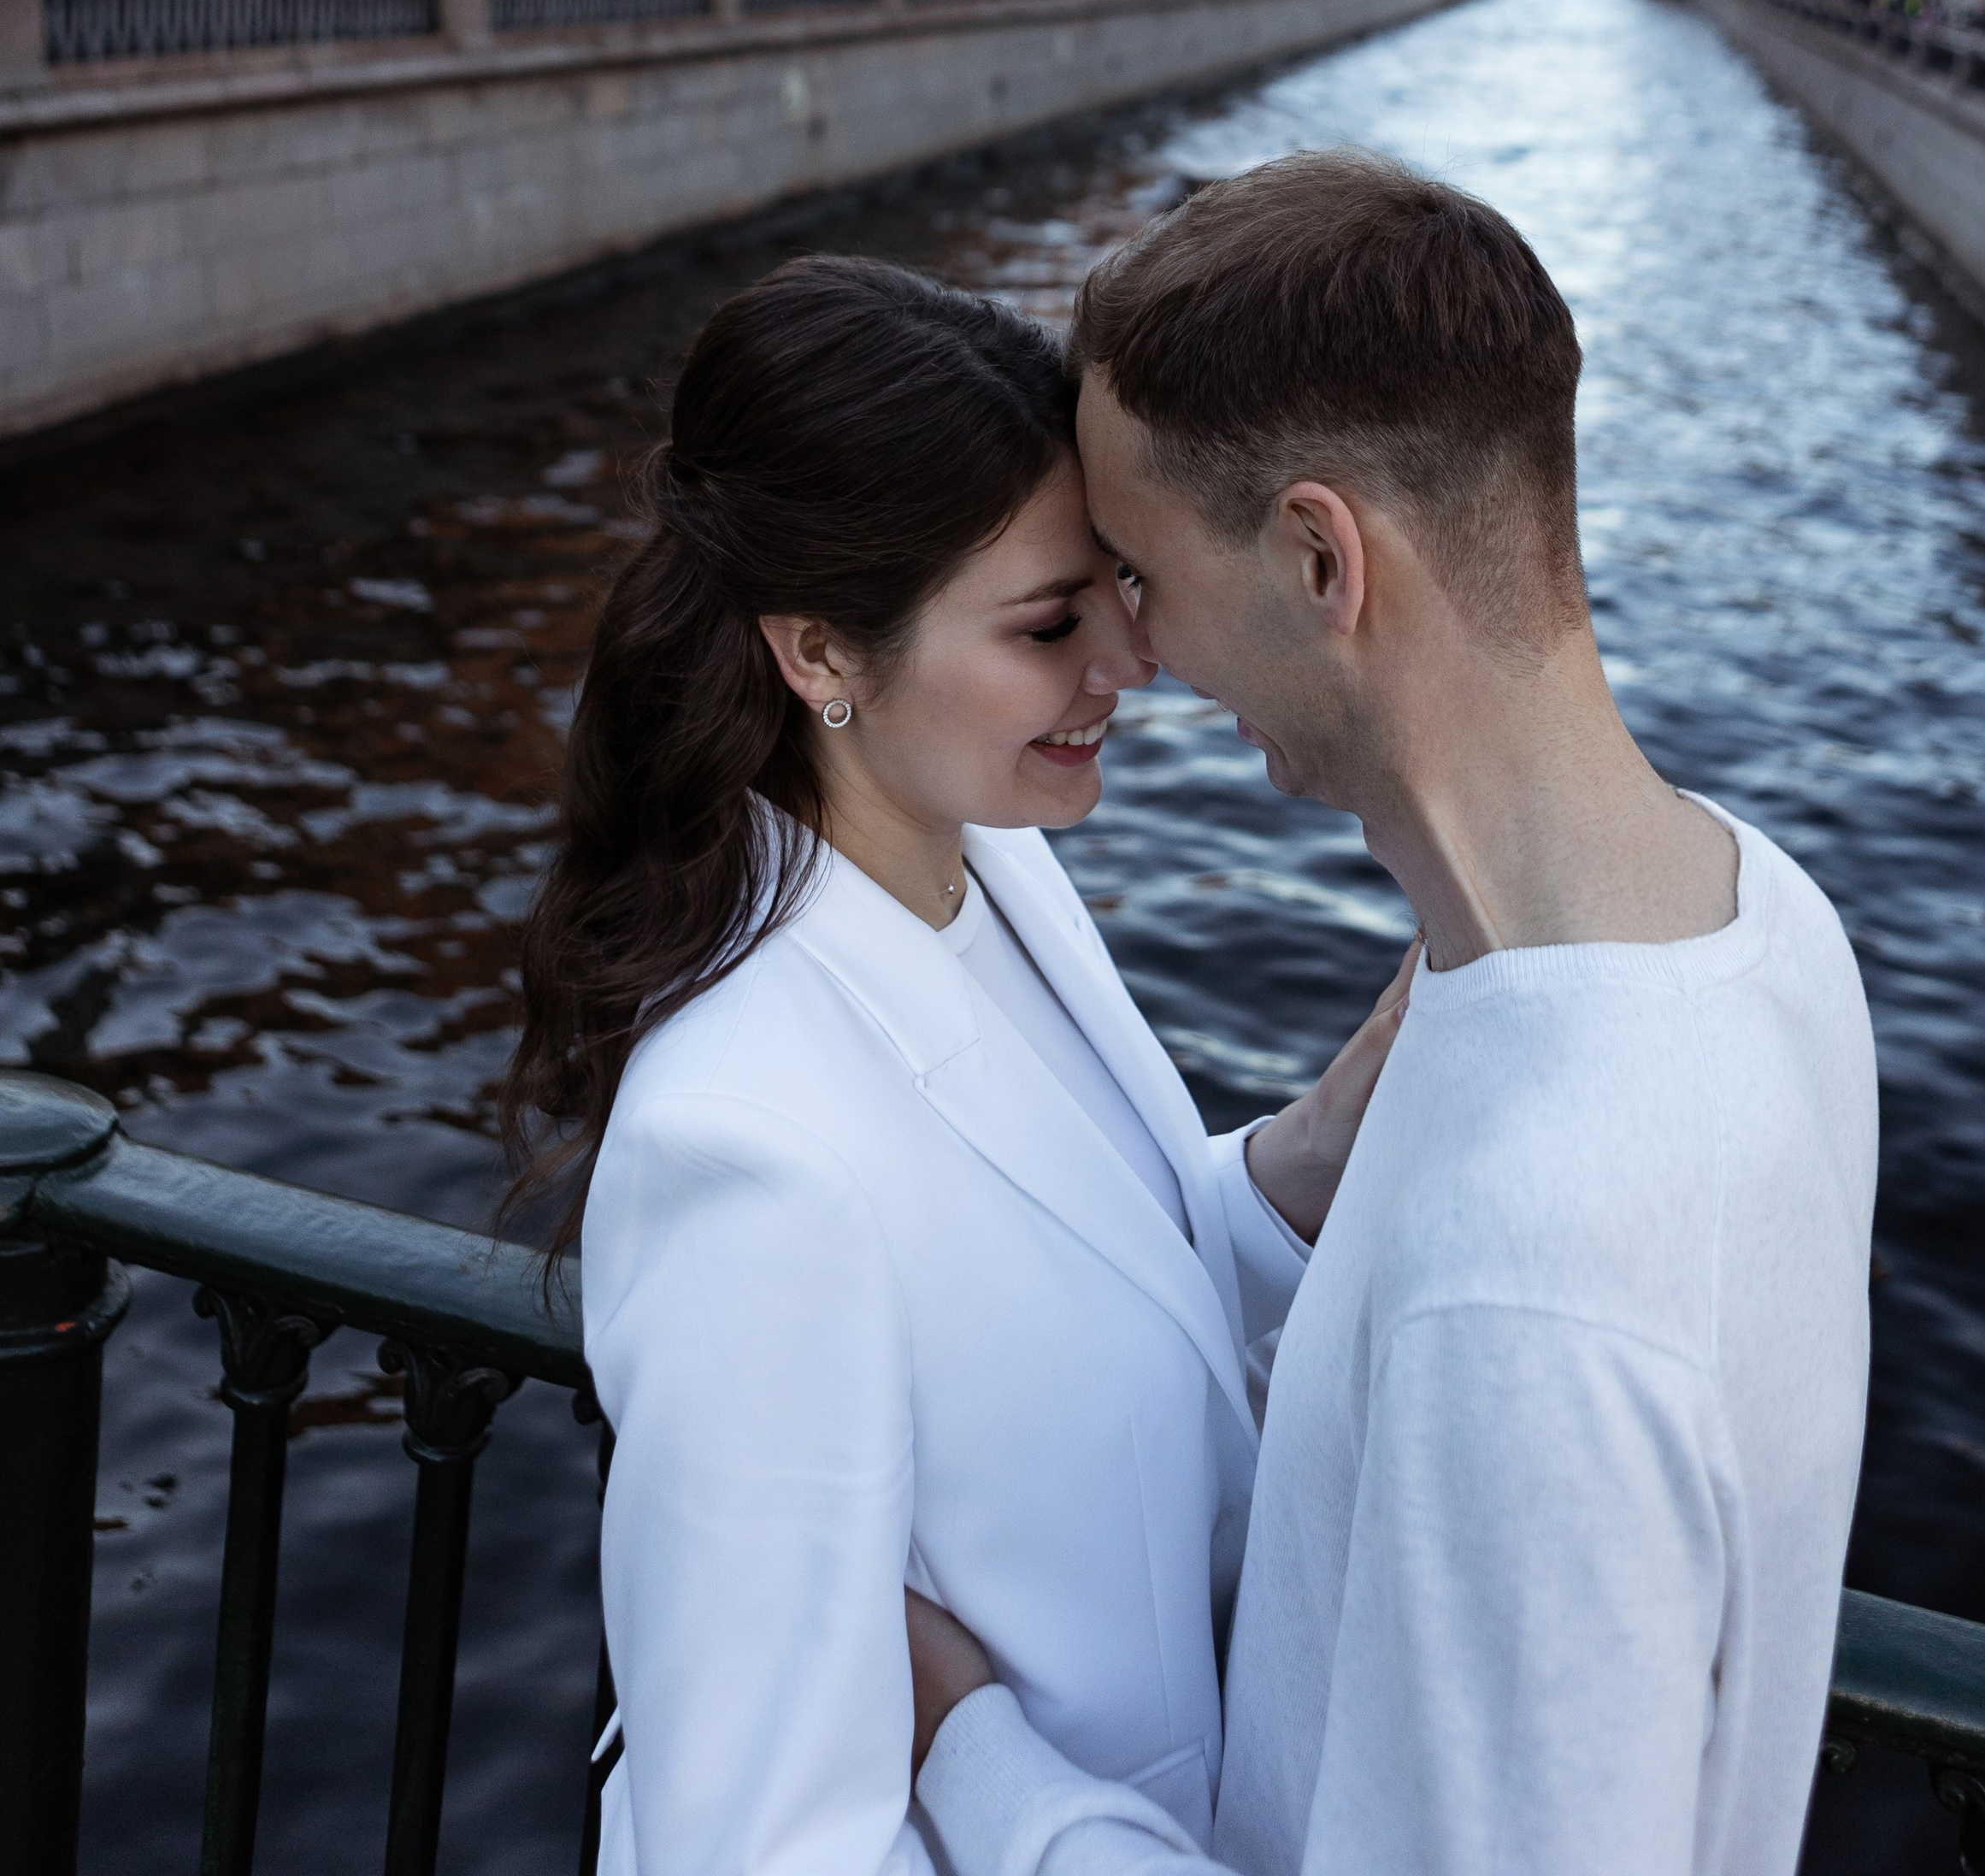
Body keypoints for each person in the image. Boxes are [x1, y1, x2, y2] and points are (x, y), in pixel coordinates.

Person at [910, 150, 1879, 1876]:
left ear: (1314, 560)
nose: (1123, 654)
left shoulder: (1530, 1283)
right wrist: (1314, 1161)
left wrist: (974, 1759)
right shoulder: (1759, 916)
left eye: (1133, 570)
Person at [500, 254, 1411, 1876]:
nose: (1128, 661)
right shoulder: (748, 1150)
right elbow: (755, 1845)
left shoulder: (991, 869)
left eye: (1114, 586)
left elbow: (1086, 1270)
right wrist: (1010, 1791)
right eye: (1049, 621)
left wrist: (1316, 1146)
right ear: (820, 655)